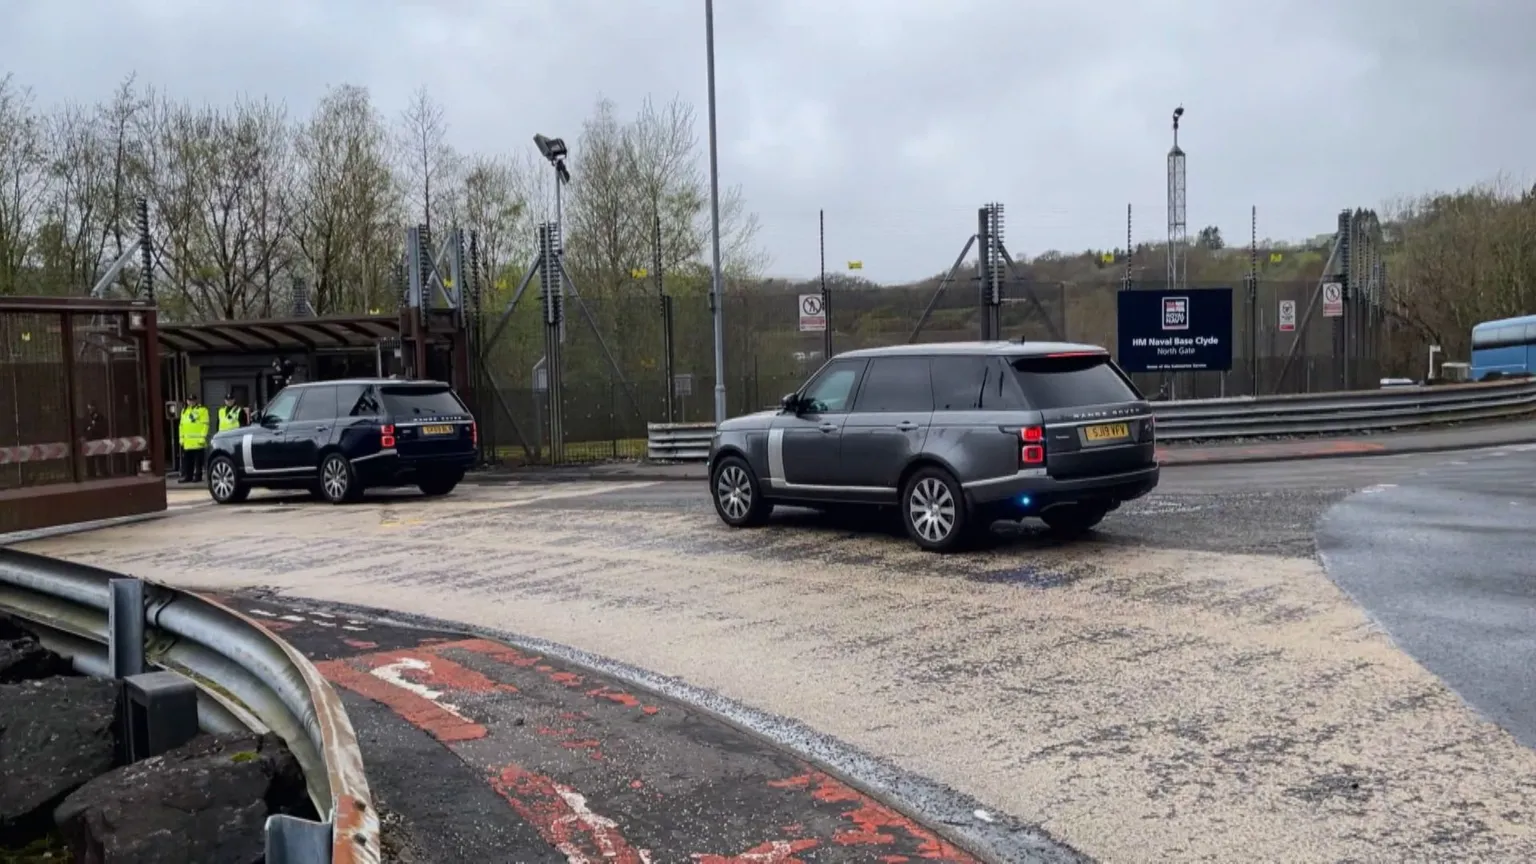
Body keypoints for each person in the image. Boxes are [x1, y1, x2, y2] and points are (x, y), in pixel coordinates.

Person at [177, 395, 210, 483]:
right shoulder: (184, 411)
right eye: (189, 400)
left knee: (198, 461)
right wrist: (181, 438)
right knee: (188, 461)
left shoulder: (202, 410)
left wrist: (203, 437)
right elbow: (181, 426)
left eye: (193, 400)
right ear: (187, 401)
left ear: (196, 401)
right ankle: (188, 476)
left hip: (198, 441)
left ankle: (198, 476)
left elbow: (205, 424)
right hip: (187, 441)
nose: (191, 402)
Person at [81, 401, 108, 479]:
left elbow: (102, 427)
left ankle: (103, 471)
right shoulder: (87, 417)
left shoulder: (99, 416)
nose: (90, 408)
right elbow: (85, 428)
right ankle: (91, 473)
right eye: (89, 407)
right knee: (90, 457)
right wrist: (85, 435)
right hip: (90, 439)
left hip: (98, 438)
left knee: (101, 457)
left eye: (92, 406)